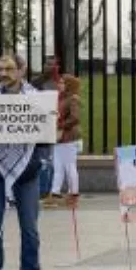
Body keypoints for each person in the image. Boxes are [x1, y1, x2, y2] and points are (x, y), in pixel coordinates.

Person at [0, 53, 51, 270]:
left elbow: (45, 135)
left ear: (22, 71)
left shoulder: (36, 99)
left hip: (27, 172)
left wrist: (43, 160)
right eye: (1, 68)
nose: (4, 73)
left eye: (10, 69)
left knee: (30, 230)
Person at [47, 74, 82, 209]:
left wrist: (59, 125)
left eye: (63, 83)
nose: (59, 84)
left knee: (69, 166)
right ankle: (55, 194)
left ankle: (74, 194)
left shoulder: (72, 99)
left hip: (68, 137)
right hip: (61, 138)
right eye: (59, 82)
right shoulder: (62, 98)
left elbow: (75, 118)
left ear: (69, 85)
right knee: (59, 167)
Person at [33, 56, 62, 206]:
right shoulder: (36, 83)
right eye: (48, 64)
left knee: (52, 161)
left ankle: (49, 191)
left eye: (53, 64)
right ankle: (42, 193)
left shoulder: (59, 83)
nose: (50, 67)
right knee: (43, 160)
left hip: (55, 126)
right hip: (40, 127)